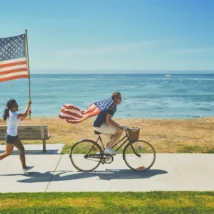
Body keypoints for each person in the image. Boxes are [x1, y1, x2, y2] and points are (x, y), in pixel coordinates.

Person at [0, 99, 33, 172]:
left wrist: (27, 114)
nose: (17, 106)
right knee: (7, 153)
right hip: (11, 137)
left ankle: (24, 167)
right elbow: (23, 114)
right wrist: (28, 104)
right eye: (15, 105)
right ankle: (24, 167)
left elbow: (19, 120)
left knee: (22, 149)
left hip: (14, 136)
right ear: (11, 108)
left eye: (16, 104)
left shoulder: (12, 113)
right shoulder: (13, 114)